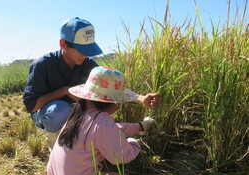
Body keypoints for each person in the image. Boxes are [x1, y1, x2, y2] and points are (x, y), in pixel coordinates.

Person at [23, 17, 160, 149]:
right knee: (59, 111)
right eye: (81, 50)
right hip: (50, 113)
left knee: (101, 104)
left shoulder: (88, 65)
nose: (85, 55)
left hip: (76, 111)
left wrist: (142, 99)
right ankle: (56, 143)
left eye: (88, 50)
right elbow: (32, 105)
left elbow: (111, 89)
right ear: (63, 44)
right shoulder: (42, 65)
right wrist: (64, 91)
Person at [47, 66, 159, 175]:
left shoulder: (79, 113)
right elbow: (122, 156)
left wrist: (140, 126)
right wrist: (134, 143)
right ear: (115, 103)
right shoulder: (103, 122)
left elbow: (114, 128)